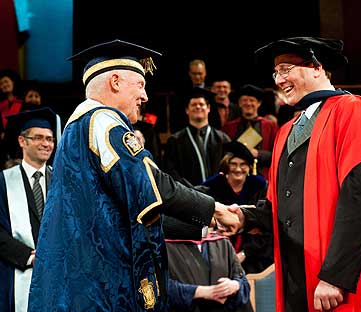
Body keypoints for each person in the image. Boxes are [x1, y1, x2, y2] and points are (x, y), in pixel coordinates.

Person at [27, 39, 239, 312]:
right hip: (100, 287)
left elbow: (132, 212)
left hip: (80, 281)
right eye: (140, 85)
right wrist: (215, 209)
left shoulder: (78, 129)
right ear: (115, 81)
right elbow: (151, 182)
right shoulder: (103, 121)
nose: (145, 96)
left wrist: (205, 224)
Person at [223, 36, 361, 311]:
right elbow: (282, 207)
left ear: (317, 66)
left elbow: (360, 198)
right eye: (276, 72)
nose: (279, 80)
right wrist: (244, 216)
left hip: (338, 282)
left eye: (286, 69)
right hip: (296, 277)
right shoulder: (285, 131)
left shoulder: (354, 110)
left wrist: (334, 277)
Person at [0, 107, 57, 312]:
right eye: (39, 137)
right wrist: (29, 256)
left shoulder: (64, 183)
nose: (46, 144)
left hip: (58, 271)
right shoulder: (4, 182)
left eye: (50, 139)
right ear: (22, 141)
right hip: (15, 272)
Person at [196, 140, 273, 274]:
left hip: (254, 256)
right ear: (227, 166)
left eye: (243, 164)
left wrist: (245, 253)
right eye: (234, 164)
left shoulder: (260, 187)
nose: (238, 169)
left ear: (249, 167)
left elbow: (265, 224)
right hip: (217, 254)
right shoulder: (212, 187)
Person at [164, 215, 253, 312]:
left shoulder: (222, 243)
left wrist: (234, 286)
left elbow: (243, 281)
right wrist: (202, 292)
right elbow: (159, 288)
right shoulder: (163, 248)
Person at [163, 87, 230, 187]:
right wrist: (189, 190)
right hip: (188, 196)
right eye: (194, 104)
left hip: (218, 194)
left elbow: (227, 168)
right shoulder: (175, 140)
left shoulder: (223, 139)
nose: (198, 107)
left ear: (208, 108)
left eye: (201, 104)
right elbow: (170, 171)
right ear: (187, 110)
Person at [222, 84, 279, 179]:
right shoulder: (229, 127)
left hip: (263, 176)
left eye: (252, 100)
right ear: (239, 103)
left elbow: (278, 153)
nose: (248, 103)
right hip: (236, 175)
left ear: (259, 103)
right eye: (244, 100)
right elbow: (224, 154)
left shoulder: (270, 126)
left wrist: (258, 154)